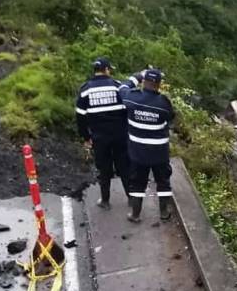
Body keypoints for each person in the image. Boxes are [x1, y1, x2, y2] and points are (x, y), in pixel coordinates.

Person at [119, 68, 176, 223]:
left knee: (137, 183)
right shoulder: (163, 103)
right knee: (163, 181)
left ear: (144, 82)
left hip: (137, 152)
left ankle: (135, 214)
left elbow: (122, 88)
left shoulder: (131, 98)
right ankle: (164, 212)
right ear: (158, 85)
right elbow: (171, 117)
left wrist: (136, 76)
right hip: (159, 152)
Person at [75, 57, 131, 209]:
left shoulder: (85, 90)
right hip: (120, 136)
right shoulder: (117, 86)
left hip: (100, 138)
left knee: (104, 169)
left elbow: (80, 117)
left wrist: (86, 138)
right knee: (124, 167)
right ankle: (132, 198)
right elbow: (127, 109)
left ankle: (105, 201)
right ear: (107, 70)